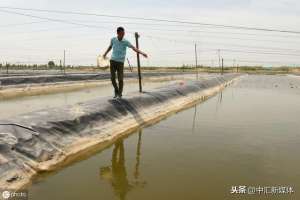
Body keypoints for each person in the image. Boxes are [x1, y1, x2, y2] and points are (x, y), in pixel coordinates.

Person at [103, 27, 148, 98]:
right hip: (113, 61)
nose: (123, 35)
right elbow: (110, 47)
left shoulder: (125, 41)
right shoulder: (113, 39)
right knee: (112, 78)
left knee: (120, 79)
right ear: (117, 33)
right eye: (121, 33)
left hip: (120, 62)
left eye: (124, 33)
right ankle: (117, 91)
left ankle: (119, 94)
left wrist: (142, 53)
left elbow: (134, 48)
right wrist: (105, 53)